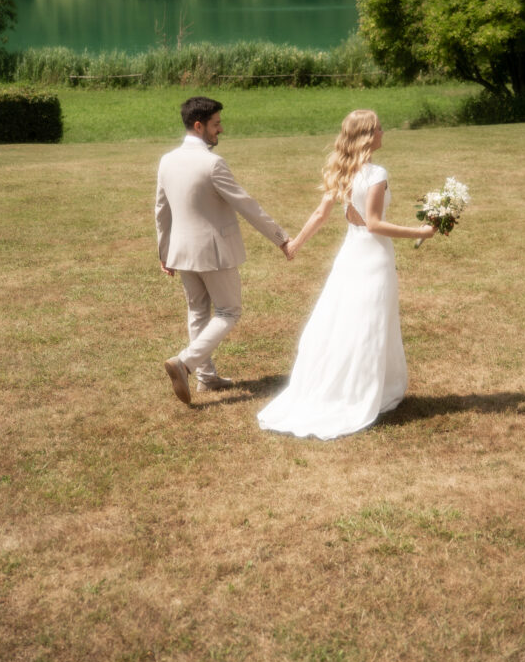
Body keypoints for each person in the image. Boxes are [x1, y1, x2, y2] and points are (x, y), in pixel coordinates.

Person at [257, 109, 438, 440]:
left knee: (343, 318)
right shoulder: (376, 173)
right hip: (373, 255)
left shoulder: (343, 170)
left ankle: (349, 384)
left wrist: (295, 244)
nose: (383, 132)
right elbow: (374, 224)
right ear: (367, 136)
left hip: (351, 254)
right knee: (371, 322)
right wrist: (420, 231)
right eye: (379, 128)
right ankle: (363, 390)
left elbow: (320, 213)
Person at [156, 96, 291, 405]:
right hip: (213, 252)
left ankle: (205, 378)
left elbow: (161, 211)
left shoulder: (166, 160)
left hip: (181, 251)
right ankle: (185, 363)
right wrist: (281, 238)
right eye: (216, 124)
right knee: (228, 311)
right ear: (199, 125)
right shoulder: (212, 163)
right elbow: (246, 205)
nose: (221, 129)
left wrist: (164, 252)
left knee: (197, 311)